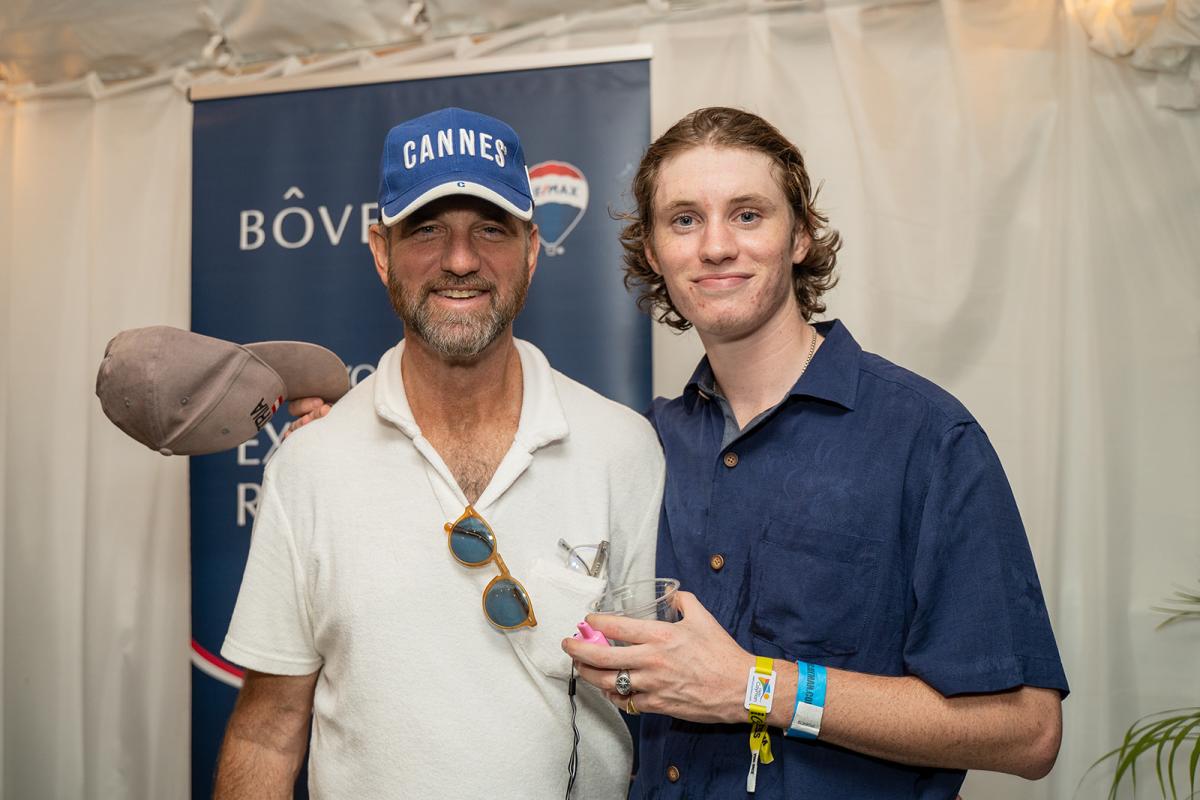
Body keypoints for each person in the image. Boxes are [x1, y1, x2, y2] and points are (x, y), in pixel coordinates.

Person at [561, 107, 1068, 799]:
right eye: (684, 220)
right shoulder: (642, 444)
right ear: (653, 252)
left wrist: (754, 686)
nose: (715, 246)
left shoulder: (924, 437)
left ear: (799, 235)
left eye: (747, 215)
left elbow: (1027, 731)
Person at [213, 107, 664, 799]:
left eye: (491, 228)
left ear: (532, 249)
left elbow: (659, 702)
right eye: (426, 229)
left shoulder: (622, 448)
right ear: (380, 250)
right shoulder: (309, 466)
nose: (460, 260)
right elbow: (266, 732)